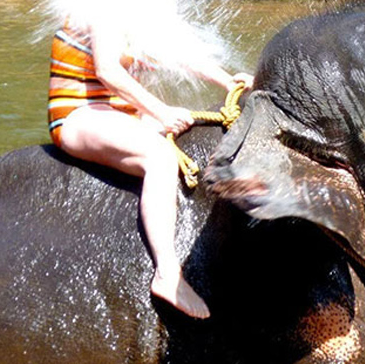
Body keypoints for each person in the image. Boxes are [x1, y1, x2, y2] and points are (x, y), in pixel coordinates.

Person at [47, 17, 253, 319]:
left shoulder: (140, 9)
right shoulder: (103, 4)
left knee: (193, 126)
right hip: (78, 113)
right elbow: (107, 70)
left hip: (120, 113)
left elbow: (180, 56)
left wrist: (228, 81)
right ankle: (167, 273)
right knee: (159, 156)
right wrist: (160, 111)